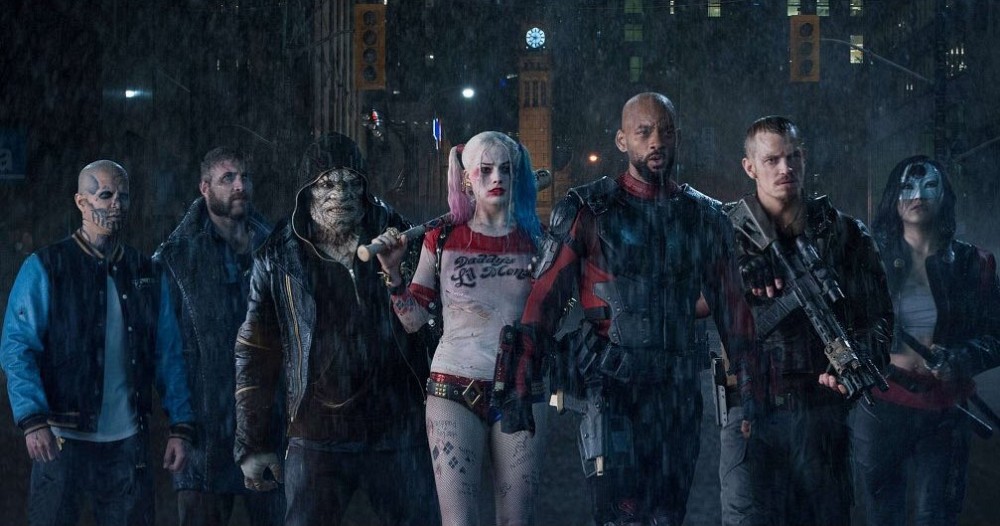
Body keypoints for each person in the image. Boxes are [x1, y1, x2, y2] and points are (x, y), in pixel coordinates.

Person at [503, 92, 756, 526]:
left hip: (676, 394)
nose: (656, 141)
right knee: (622, 517)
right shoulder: (586, 210)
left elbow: (734, 312)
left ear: (678, 137)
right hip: (612, 390)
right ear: (623, 140)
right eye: (644, 132)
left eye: (666, 131)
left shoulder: (704, 216)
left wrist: (751, 391)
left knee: (666, 517)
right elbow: (543, 301)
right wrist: (518, 384)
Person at [232, 136, 438, 526]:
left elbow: (431, 329)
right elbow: (255, 351)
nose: (340, 195)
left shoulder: (402, 236)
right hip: (316, 432)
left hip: (395, 426)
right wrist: (252, 443)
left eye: (350, 183)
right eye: (327, 183)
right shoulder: (279, 255)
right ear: (307, 191)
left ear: (364, 188)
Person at [0, 159, 195, 526]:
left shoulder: (146, 272)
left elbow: (168, 354)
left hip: (128, 443)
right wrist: (32, 420)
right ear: (81, 201)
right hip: (62, 438)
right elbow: (18, 347)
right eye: (105, 195)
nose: (116, 205)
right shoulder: (46, 266)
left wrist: (181, 426)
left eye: (123, 196)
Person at [723, 116, 893, 526]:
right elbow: (687, 300)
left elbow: (879, 317)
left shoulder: (846, 234)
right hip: (751, 412)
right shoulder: (724, 234)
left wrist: (858, 356)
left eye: (793, 157)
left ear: (804, 157)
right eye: (772, 160)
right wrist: (738, 270)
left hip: (822, 414)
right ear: (749, 167)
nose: (785, 168)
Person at [372, 131, 545, 525]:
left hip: (522, 389)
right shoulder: (442, 237)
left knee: (518, 520)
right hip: (451, 388)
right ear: (467, 178)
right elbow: (413, 320)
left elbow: (552, 315)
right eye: (485, 170)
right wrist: (393, 274)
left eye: (505, 169)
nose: (496, 178)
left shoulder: (537, 239)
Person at [851, 156, 1000, 526]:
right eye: (907, 186)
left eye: (929, 185)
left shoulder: (973, 263)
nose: (918, 195)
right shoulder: (867, 260)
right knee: (881, 516)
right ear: (893, 196)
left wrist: (962, 358)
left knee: (935, 516)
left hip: (945, 411)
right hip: (882, 407)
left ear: (944, 195)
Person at [154, 147, 284, 526]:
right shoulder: (176, 258)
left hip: (267, 424)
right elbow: (168, 352)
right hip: (206, 429)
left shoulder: (275, 250)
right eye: (228, 178)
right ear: (205, 188)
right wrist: (180, 425)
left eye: (244, 177)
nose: (240, 185)